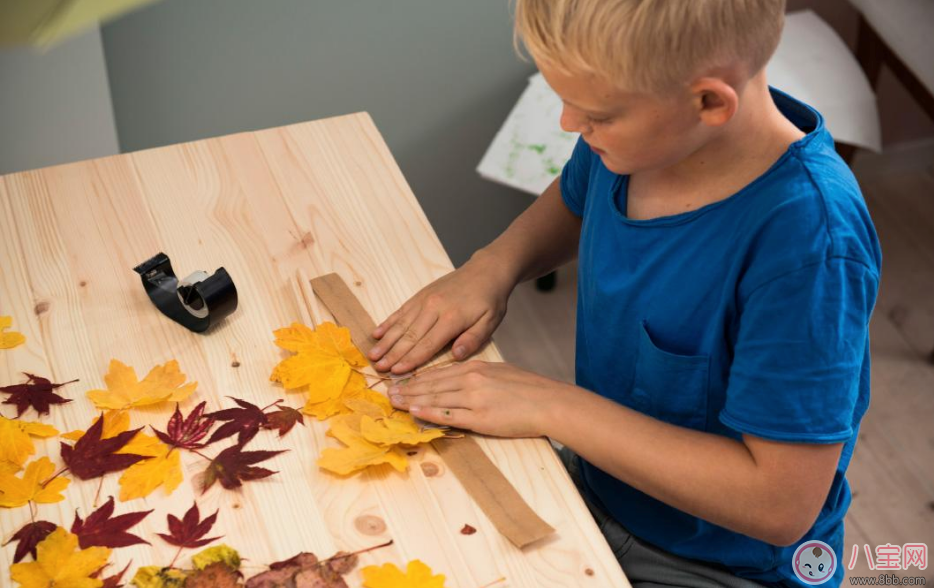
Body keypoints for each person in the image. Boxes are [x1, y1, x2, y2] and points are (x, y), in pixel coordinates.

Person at [370, 1, 881, 586]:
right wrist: (493, 266)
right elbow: (576, 195)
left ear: (710, 102)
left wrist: (551, 406)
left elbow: (780, 505)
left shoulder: (809, 244)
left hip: (723, 565)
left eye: (594, 116)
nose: (568, 125)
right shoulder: (645, 141)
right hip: (603, 488)